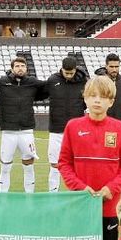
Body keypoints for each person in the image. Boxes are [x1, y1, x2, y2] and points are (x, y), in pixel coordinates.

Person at [58, 75, 121, 240]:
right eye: (92, 95)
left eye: (103, 97)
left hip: (109, 206)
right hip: (80, 204)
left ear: (111, 102)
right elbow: (64, 163)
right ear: (85, 98)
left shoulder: (119, 128)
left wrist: (111, 189)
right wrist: (80, 188)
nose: (97, 100)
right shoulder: (73, 126)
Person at [0, 56, 48, 193]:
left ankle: (29, 194)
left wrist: (34, 98)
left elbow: (47, 89)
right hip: (8, 132)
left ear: (26, 69)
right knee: (5, 165)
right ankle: (3, 194)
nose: (20, 68)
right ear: (12, 68)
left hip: (26, 131)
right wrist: (0, 104)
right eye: (17, 66)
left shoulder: (32, 82)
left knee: (28, 164)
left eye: (22, 66)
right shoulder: (2, 82)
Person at [44, 56, 89, 192]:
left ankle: (77, 192)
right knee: (55, 163)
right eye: (66, 72)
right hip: (56, 129)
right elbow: (40, 94)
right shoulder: (53, 80)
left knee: (78, 163)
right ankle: (53, 192)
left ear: (76, 70)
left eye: (71, 73)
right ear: (61, 69)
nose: (69, 75)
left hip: (77, 130)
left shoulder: (84, 82)